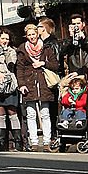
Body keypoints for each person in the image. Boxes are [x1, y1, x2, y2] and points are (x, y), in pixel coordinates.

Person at [16, 22, 58, 152]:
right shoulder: (22, 49)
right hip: (29, 84)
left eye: (33, 34)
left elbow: (55, 65)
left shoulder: (46, 48)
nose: (32, 37)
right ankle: (33, 142)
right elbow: (20, 68)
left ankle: (47, 141)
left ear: (37, 34)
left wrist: (43, 63)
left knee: (45, 113)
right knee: (31, 114)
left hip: (43, 83)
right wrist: (21, 84)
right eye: (29, 35)